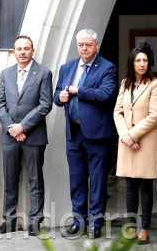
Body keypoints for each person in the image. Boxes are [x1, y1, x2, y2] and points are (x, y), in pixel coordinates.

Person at [53, 29, 117, 238]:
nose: (84, 48)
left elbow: (105, 95)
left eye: (88, 44)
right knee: (77, 180)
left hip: (97, 135)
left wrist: (76, 90)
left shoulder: (108, 68)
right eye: (81, 44)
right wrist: (60, 95)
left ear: (96, 45)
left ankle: (96, 223)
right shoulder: (67, 67)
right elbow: (56, 94)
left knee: (97, 180)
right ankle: (78, 222)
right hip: (74, 132)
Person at [0, 36, 53, 236]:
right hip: (9, 135)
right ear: (14, 51)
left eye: (26, 48)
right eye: (19, 48)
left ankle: (35, 222)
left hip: (34, 135)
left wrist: (23, 127)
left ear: (32, 51)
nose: (22, 52)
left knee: (36, 180)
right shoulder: (6, 74)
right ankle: (9, 220)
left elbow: (45, 104)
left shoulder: (44, 73)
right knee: (10, 180)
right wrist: (12, 127)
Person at [113, 48, 157, 245]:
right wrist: (126, 136)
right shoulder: (125, 84)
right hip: (127, 142)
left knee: (145, 187)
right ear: (131, 63)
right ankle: (132, 226)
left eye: (144, 60)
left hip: (146, 142)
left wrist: (133, 135)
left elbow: (154, 116)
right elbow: (117, 112)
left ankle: (145, 228)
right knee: (130, 187)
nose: (142, 64)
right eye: (138, 61)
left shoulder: (156, 84)